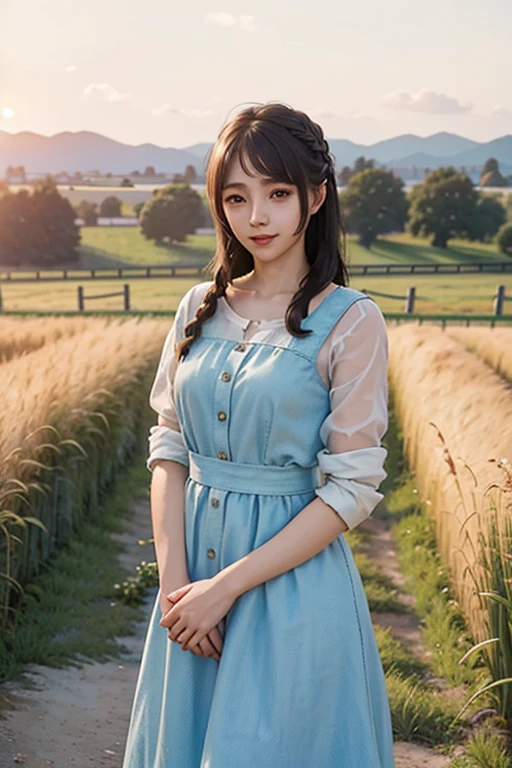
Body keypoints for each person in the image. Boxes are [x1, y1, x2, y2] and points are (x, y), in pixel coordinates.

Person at [122, 102, 395, 767]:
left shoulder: (352, 322)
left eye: (278, 193)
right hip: (188, 595)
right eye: (237, 196)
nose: (257, 217)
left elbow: (352, 487)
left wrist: (227, 590)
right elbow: (170, 446)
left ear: (316, 195)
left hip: (290, 591)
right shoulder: (198, 306)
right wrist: (179, 587)